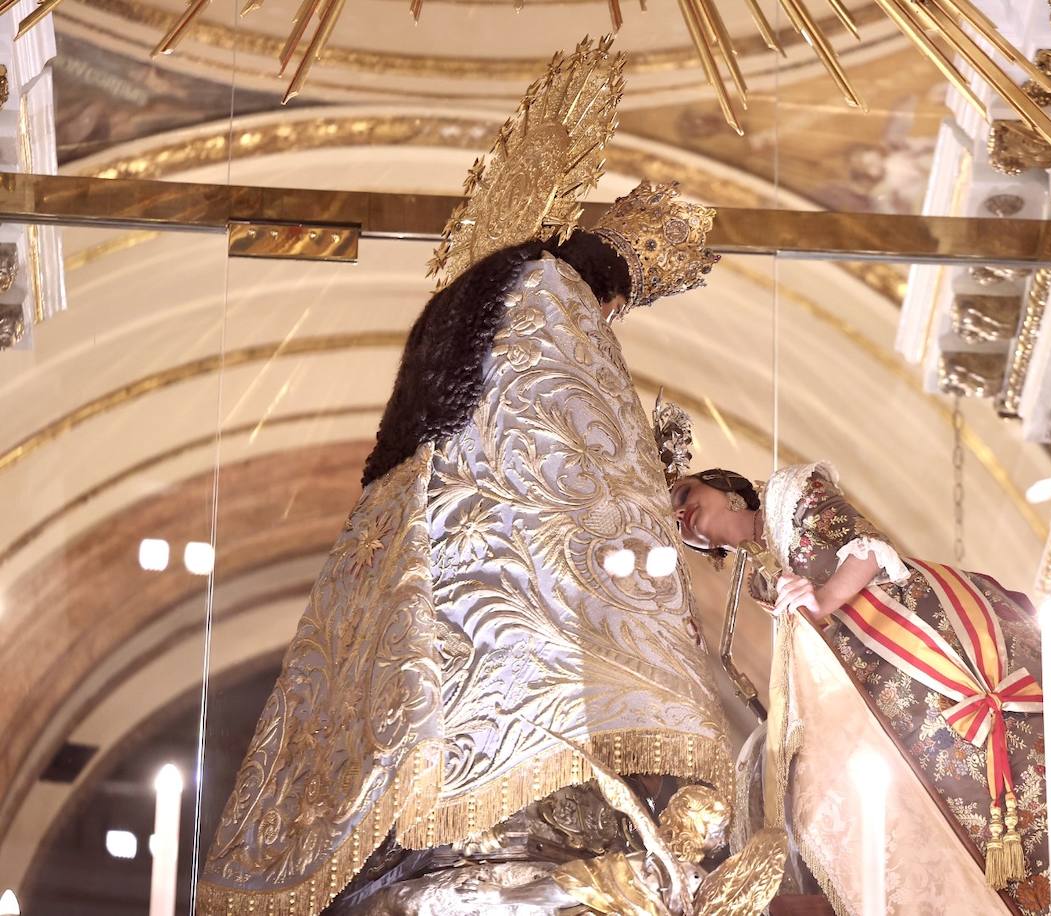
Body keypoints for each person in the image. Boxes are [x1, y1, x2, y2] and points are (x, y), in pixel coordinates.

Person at [197, 179, 731, 916]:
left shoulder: (482, 304)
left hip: (445, 539)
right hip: (511, 551)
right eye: (618, 306)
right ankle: (499, 814)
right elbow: (579, 444)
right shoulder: (557, 297)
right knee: (526, 667)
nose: (610, 321)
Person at [670, 462, 1051, 916]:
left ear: (725, 487)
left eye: (685, 493)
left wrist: (823, 599)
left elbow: (870, 548)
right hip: (880, 688)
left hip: (922, 637)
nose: (681, 512)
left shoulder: (791, 495)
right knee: (951, 795)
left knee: (1018, 749)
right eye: (672, 517)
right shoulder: (755, 578)